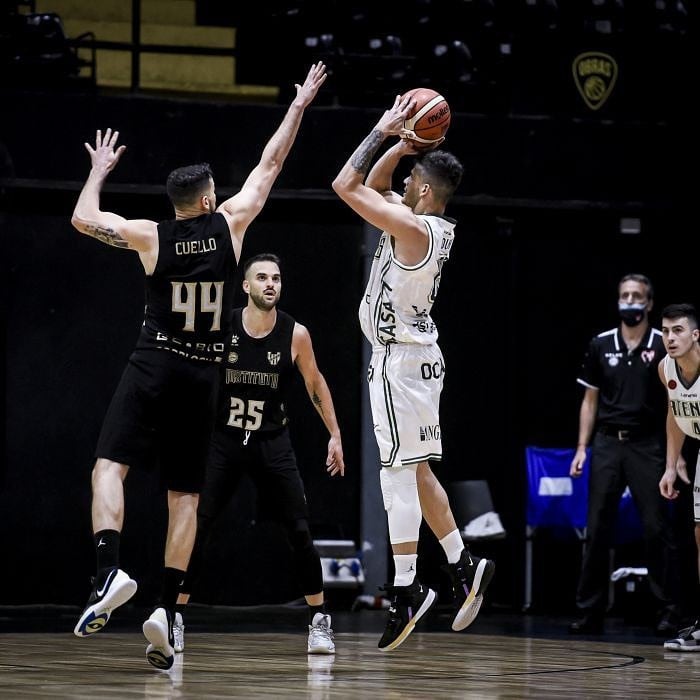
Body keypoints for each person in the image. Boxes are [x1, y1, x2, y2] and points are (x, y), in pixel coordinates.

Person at [70, 62, 328, 670]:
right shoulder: (231, 227)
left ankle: (108, 571)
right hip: (205, 375)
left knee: (110, 467)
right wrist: (297, 108)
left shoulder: (151, 236)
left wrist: (98, 171)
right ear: (209, 199)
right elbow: (270, 166)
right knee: (184, 498)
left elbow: (84, 219)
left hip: (155, 362)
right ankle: (164, 606)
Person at [331, 93, 495, 652]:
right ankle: (463, 565)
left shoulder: (412, 228)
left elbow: (345, 186)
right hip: (418, 359)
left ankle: (406, 590)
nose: (399, 188)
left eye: (409, 181)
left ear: (423, 191)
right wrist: (404, 147)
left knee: (396, 476)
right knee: (418, 473)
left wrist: (380, 131)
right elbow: (376, 189)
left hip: (399, 362)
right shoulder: (424, 224)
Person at [173, 253, 345, 655]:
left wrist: (335, 433)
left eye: (277, 278)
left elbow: (314, 383)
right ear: (246, 286)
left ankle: (319, 621)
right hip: (224, 440)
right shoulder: (222, 327)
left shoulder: (295, 333)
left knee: (300, 532)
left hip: (271, 440)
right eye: (262, 277)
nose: (271, 283)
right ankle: (173, 616)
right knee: (196, 528)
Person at [569, 273, 681, 635]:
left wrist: (673, 457)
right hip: (605, 443)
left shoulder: (663, 345)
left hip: (647, 444)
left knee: (656, 527)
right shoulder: (601, 344)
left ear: (648, 304)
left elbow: (673, 403)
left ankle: (668, 610)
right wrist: (582, 448)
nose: (630, 301)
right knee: (597, 527)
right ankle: (589, 611)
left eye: (637, 296)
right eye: (625, 295)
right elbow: (589, 401)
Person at [658, 303, 700, 651]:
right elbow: (675, 413)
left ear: (695, 335)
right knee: (699, 535)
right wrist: (672, 465)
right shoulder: (666, 368)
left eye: (678, 331)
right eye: (666, 332)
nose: (670, 338)